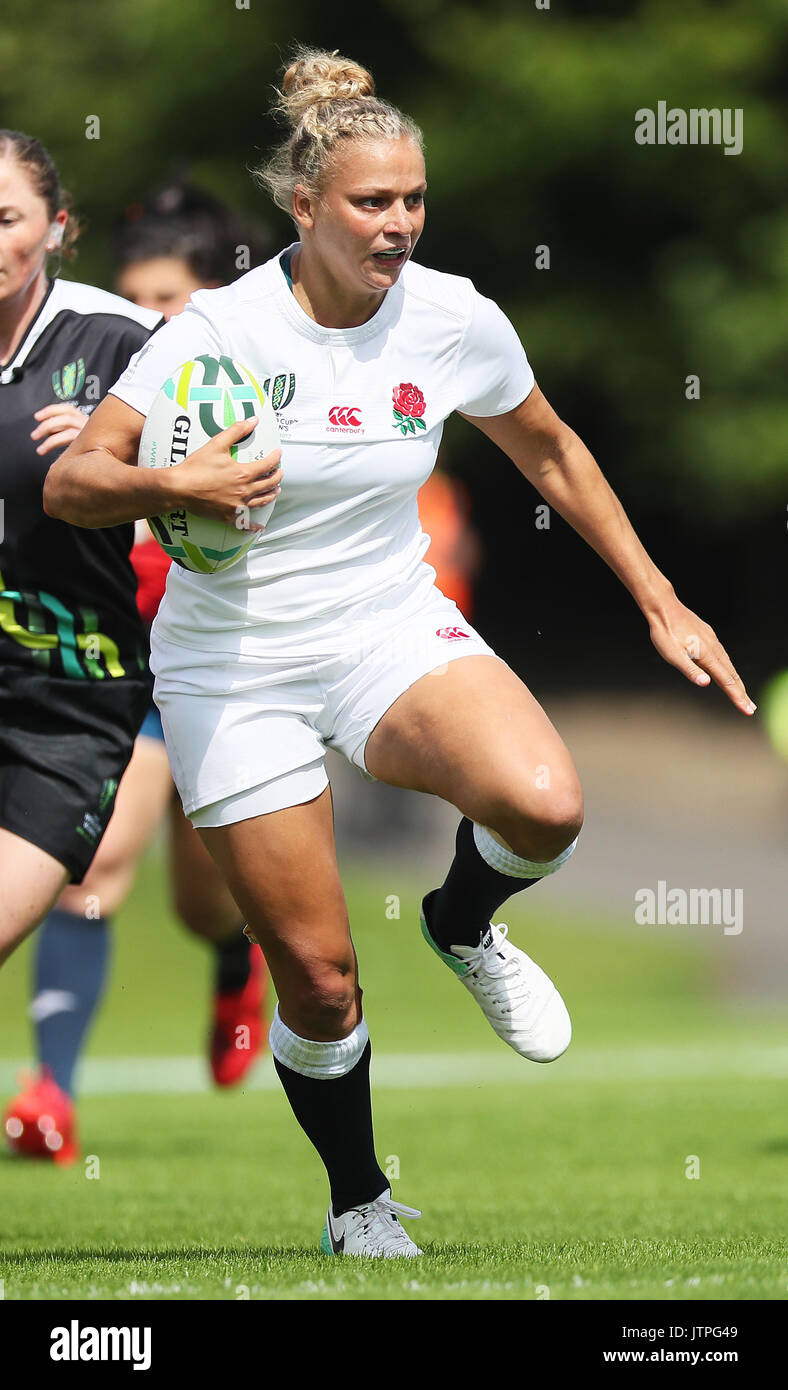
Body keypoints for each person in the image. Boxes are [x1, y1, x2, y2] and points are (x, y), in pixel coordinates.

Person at [42, 48, 755, 1256]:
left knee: (544, 804)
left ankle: (464, 921)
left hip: (383, 624)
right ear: (304, 205)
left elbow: (552, 452)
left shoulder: (452, 315)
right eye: (372, 202)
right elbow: (74, 481)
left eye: (413, 199)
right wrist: (177, 481)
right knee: (318, 981)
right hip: (235, 663)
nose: (399, 224)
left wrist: (659, 599)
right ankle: (357, 1200)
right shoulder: (217, 330)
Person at [3, 182, 273, 1166]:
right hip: (123, 666)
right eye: (135, 297)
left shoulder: (233, 385)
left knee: (206, 900)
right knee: (96, 866)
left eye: (167, 300)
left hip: (225, 658)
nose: (144, 320)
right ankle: (51, 1094)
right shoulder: (92, 381)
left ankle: (233, 954)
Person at [0, 130, 161, 1162]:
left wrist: (127, 458)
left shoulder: (126, 343)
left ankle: (56, 1081)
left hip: (61, 712)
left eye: (3, 216)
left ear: (55, 227)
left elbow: (243, 495)